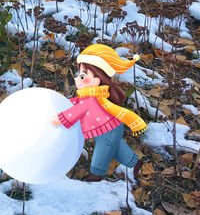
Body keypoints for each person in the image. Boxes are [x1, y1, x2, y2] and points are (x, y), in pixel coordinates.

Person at [51, 44, 147, 182]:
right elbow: (77, 102)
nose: (77, 78)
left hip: (107, 131)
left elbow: (76, 111)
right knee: (117, 149)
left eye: (83, 76)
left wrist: (59, 119)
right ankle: (136, 164)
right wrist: (64, 104)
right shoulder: (92, 95)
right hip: (111, 127)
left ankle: (96, 174)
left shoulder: (91, 98)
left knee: (102, 151)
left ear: (96, 81)